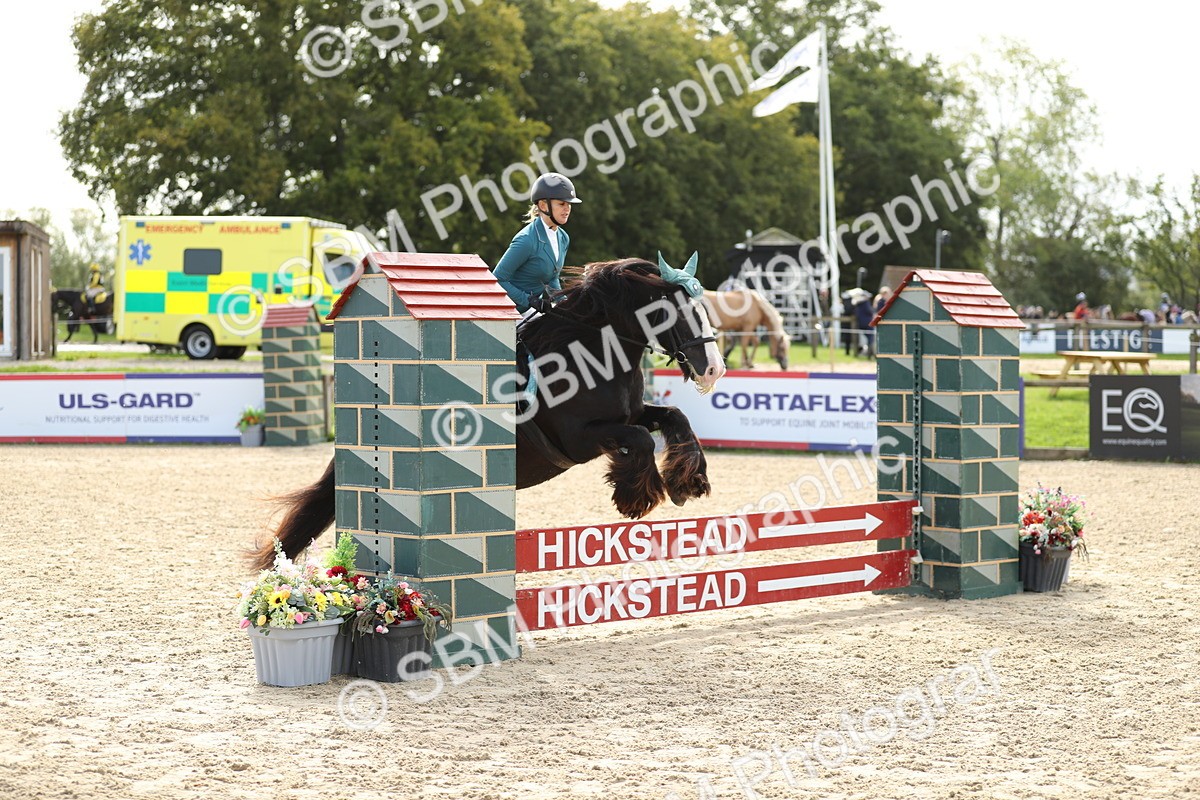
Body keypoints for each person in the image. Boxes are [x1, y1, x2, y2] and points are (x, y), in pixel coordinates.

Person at [493, 172, 581, 313]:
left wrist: (562, 302)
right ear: (543, 205)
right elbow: (498, 279)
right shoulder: (526, 240)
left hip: (531, 311)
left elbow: (552, 278)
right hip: (508, 313)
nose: (567, 209)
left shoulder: (563, 238)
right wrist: (529, 300)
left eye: (569, 204)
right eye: (562, 204)